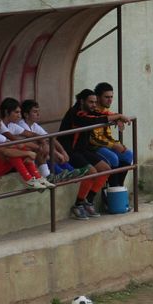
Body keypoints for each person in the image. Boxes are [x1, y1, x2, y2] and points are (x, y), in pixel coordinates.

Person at [58, 89, 113, 219]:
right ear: (82, 101)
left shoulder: (90, 111)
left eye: (95, 102)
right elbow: (93, 121)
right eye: (91, 102)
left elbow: (103, 114)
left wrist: (119, 117)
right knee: (91, 172)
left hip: (83, 150)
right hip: (70, 151)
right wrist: (116, 118)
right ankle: (78, 205)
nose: (94, 105)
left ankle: (88, 201)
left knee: (106, 169)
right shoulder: (76, 113)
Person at [0, 108, 51, 190]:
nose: (0, 125)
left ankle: (37, 178)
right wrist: (28, 153)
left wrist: (38, 148)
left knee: (15, 147)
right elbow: (4, 151)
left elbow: (17, 144)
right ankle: (29, 179)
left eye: (0, 122)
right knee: (9, 151)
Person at [21, 99, 78, 182]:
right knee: (45, 150)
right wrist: (56, 153)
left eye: (38, 111)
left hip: (35, 153)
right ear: (26, 114)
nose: (38, 114)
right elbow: (34, 144)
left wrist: (62, 152)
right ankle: (59, 173)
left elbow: (50, 138)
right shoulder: (21, 124)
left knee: (47, 147)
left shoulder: (34, 125)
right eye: (35, 112)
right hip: (26, 155)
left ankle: (70, 171)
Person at [93, 82, 135, 189]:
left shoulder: (105, 110)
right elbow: (93, 139)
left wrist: (118, 117)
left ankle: (119, 188)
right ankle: (113, 188)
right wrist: (114, 145)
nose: (110, 100)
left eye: (111, 97)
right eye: (106, 97)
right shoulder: (92, 111)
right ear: (98, 97)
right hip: (93, 147)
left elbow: (110, 115)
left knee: (128, 154)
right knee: (113, 158)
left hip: (105, 144)